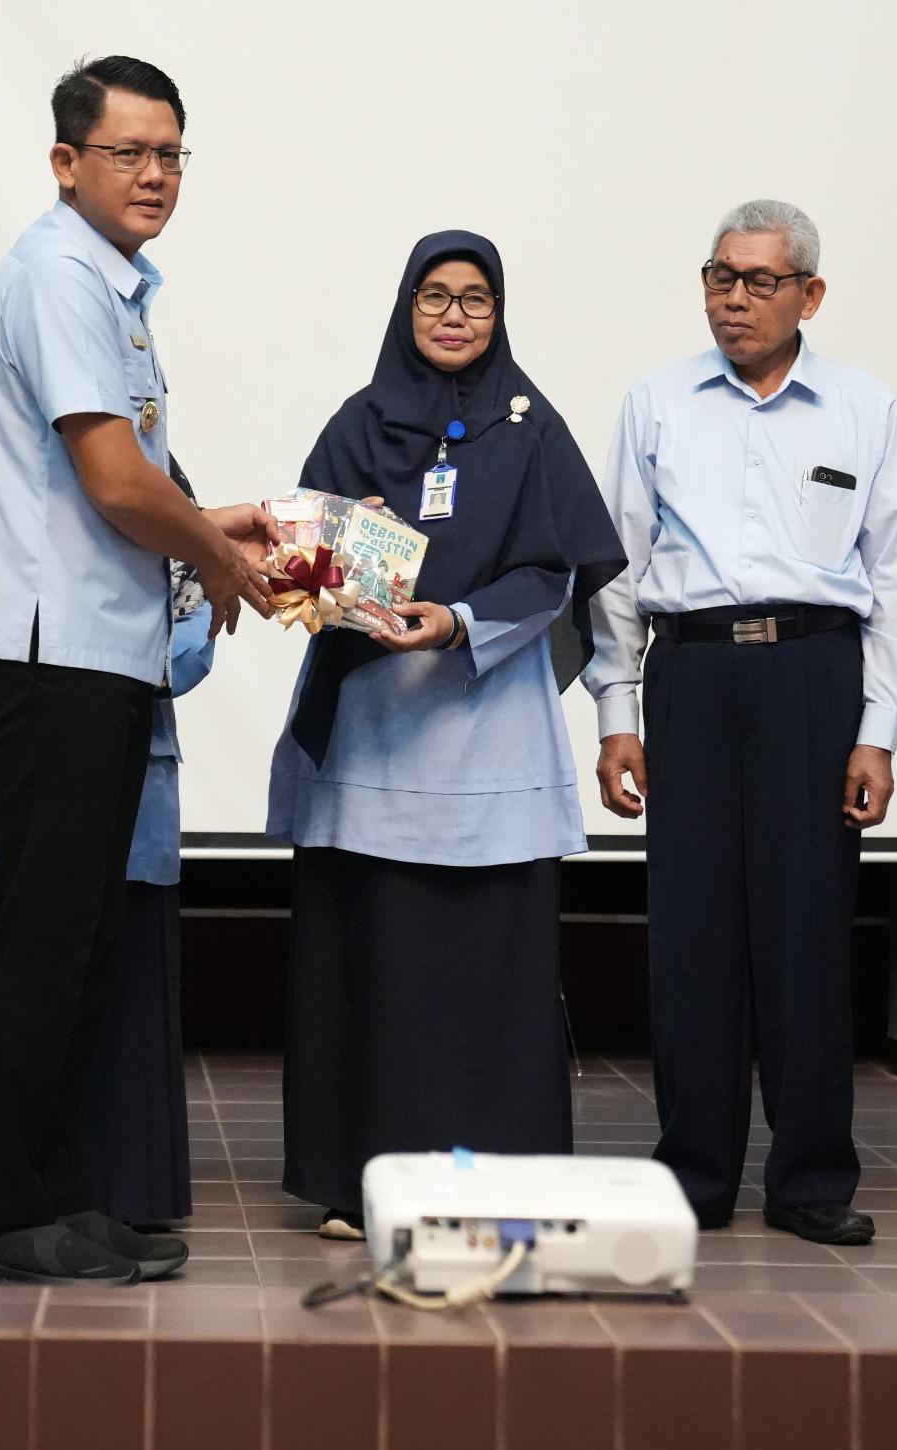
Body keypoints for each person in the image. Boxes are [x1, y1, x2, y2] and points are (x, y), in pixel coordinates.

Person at [0, 54, 275, 1285]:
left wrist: (222, 524)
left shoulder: (110, 286)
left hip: (94, 647)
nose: (154, 174)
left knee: (74, 939)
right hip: (50, 651)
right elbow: (118, 482)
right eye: (129, 152)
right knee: (43, 938)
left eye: (172, 153)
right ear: (67, 162)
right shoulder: (59, 275)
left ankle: (56, 1190)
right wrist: (222, 566)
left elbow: (141, 481)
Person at [270, 230, 626, 1239]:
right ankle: (360, 1176)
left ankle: (498, 1172)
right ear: (406, 307)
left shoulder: (531, 425)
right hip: (378, 728)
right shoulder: (358, 420)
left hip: (487, 724)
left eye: (475, 297)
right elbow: (305, 556)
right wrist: (342, 565)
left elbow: (554, 569)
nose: (456, 314)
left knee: (486, 969)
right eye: (435, 296)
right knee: (374, 962)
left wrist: (459, 619)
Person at [583, 198, 897, 1245]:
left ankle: (812, 1175)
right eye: (719, 276)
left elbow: (896, 578)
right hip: (688, 675)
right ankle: (693, 1173)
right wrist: (616, 709)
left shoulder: (864, 408)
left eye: (758, 280)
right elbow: (617, 571)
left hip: (815, 677)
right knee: (690, 933)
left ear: (809, 294)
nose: (733, 297)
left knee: (808, 930)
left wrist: (880, 729)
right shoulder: (657, 401)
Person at [0, 456, 213, 1233]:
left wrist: (116, 673)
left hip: (127, 740)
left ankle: (116, 1191)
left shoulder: (163, 479)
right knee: (1, 960)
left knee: (107, 962)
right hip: (2, 742)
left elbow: (195, 629)